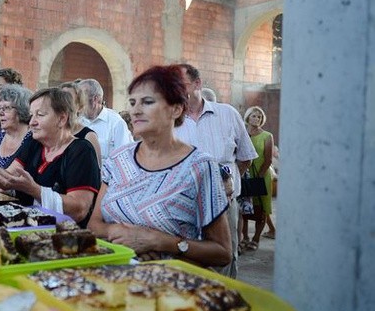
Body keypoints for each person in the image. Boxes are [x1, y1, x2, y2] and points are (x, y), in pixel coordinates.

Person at [88, 65, 232, 267]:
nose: (135, 110)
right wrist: (123, 236)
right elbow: (94, 225)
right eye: (132, 102)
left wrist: (161, 242)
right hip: (112, 278)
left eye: (147, 102)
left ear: (176, 109)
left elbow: (222, 252)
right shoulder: (117, 160)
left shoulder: (199, 166)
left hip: (172, 286)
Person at [0, 88, 100, 226]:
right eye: (31, 115)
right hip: (27, 226)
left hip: (61, 235)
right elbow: (6, 179)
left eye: (40, 115)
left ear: (62, 119)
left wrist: (34, 190)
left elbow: (79, 210)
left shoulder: (81, 151)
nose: (32, 122)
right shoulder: (34, 142)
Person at [174, 63, 257, 277]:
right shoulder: (172, 121)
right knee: (188, 259)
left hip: (225, 204)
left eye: (182, 85)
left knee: (226, 258)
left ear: (198, 84)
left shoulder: (227, 114)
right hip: (185, 206)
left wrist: (224, 181)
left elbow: (245, 157)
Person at [240, 106, 275, 251]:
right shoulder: (242, 133)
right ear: (248, 117)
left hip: (261, 176)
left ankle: (256, 239)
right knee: (244, 209)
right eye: (254, 116)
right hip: (244, 176)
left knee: (261, 208)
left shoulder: (267, 136)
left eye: (259, 117)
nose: (257, 119)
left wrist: (258, 178)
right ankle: (245, 237)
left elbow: (268, 160)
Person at [77, 78, 133, 162]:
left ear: (96, 99)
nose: (78, 102)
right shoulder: (77, 121)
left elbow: (123, 159)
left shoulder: (116, 123)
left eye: (81, 98)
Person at [60, 81, 102, 165]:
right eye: (60, 98)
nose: (63, 103)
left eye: (69, 99)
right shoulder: (49, 132)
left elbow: (96, 173)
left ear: (79, 107)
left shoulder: (89, 137)